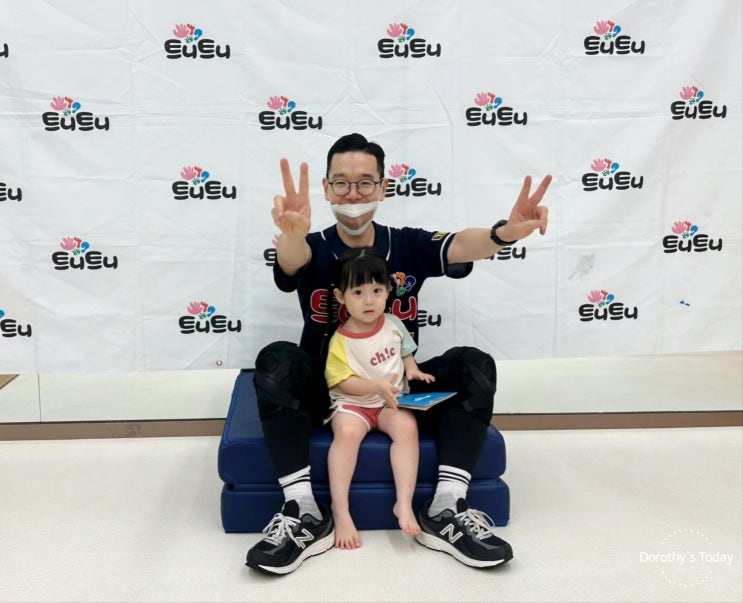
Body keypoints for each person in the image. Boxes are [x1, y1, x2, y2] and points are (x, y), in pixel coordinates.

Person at [245, 132, 551, 575]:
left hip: (398, 390)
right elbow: (293, 260)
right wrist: (291, 235)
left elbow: (461, 245)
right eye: (341, 183)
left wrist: (503, 233)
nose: (353, 194)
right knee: (277, 359)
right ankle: (304, 512)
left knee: (473, 364)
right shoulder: (313, 245)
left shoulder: (405, 244)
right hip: (327, 391)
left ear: (383, 187)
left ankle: (446, 507)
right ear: (327, 189)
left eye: (365, 183)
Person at [324, 246, 434, 549]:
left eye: (376, 290)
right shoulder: (341, 340)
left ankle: (404, 502)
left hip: (388, 403)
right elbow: (342, 382)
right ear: (341, 297)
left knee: (407, 427)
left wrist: (413, 370)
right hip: (354, 404)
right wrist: (374, 387)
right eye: (358, 292)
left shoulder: (394, 323)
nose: (369, 300)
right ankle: (341, 510)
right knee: (347, 433)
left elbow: (405, 351)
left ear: (388, 290)